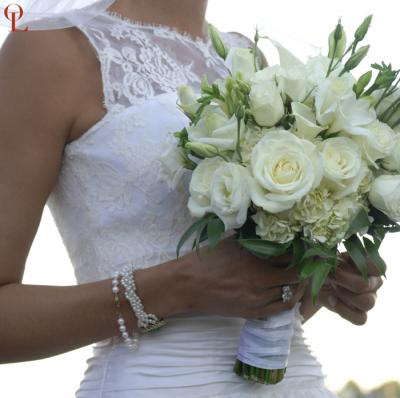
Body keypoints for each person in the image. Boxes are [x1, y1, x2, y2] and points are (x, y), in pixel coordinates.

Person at [0, 0, 383, 396]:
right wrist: (178, 286)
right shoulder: (48, 48)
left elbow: (245, 292)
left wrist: (313, 281)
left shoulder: (249, 58)